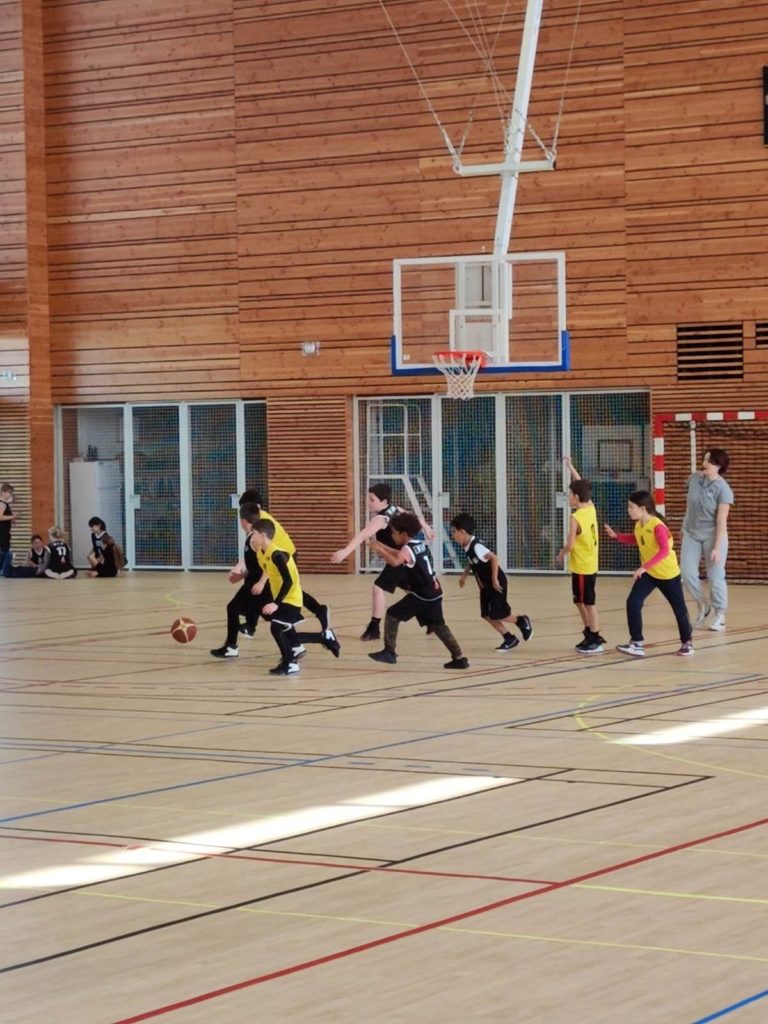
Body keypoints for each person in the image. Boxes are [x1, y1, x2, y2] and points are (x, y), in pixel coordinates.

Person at [331, 483, 435, 641]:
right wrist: (426, 527)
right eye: (368, 499)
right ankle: (431, 621)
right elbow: (415, 518)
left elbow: (362, 535)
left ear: (384, 501)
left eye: (372, 500)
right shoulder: (394, 508)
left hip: (399, 559)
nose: (369, 503)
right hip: (407, 558)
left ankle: (374, 629)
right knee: (411, 592)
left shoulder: (381, 519)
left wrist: (345, 551)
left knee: (378, 588)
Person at [367, 511, 468, 669]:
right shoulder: (418, 544)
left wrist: (380, 550)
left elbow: (395, 562)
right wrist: (382, 546)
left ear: (403, 534)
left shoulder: (407, 550)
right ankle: (459, 658)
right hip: (434, 592)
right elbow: (401, 554)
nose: (392, 536)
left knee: (392, 614)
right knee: (439, 625)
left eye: (394, 533)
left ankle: (389, 652)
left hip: (422, 595)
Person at [605, 490, 692, 658]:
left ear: (643, 508)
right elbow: (638, 539)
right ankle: (637, 643)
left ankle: (687, 643)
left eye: (631, 507)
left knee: (679, 609)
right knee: (633, 602)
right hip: (650, 573)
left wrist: (643, 567)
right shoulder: (639, 525)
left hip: (668, 574)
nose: (628, 510)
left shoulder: (657, 526)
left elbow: (664, 551)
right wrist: (617, 536)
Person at [249, 518, 340, 675]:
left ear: (263, 536)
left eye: (254, 534)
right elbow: (271, 575)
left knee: (277, 627)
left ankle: (290, 663)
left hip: (292, 597)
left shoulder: (277, 554)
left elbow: (288, 580)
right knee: (286, 631)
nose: (251, 537)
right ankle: (323, 638)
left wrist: (276, 603)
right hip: (282, 597)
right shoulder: (262, 554)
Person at [449, 513, 532, 651]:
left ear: (462, 532)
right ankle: (509, 638)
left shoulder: (477, 546)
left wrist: (494, 579)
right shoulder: (466, 545)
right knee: (486, 614)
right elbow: (472, 562)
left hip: (496, 583)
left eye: (454, 532)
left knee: (500, 614)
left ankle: (521, 620)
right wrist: (464, 575)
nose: (453, 535)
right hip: (485, 586)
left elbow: (493, 558)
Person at [680, 448, 733, 632]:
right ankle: (703, 603)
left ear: (718, 466)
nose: (704, 464)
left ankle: (720, 615)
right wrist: (684, 526)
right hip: (691, 533)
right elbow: (690, 504)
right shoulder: (694, 479)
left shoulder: (724, 490)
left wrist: (717, 547)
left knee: (715, 576)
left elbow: (721, 521)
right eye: (704, 459)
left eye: (709, 461)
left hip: (714, 535)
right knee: (687, 574)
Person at [556, 457, 605, 653]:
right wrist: (570, 467)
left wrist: (561, 554)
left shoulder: (575, 517)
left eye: (569, 494)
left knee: (588, 603)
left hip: (584, 567)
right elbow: (582, 484)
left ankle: (595, 637)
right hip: (585, 565)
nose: (568, 497)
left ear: (576, 497)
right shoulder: (590, 508)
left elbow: (570, 544)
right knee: (578, 601)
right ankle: (588, 633)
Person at [0, 483, 17, 578]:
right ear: (3, 492)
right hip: (2, 533)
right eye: (9, 492)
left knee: (5, 551)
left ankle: (3, 570)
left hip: (5, 532)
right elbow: (0, 517)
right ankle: (4, 570)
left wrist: (11, 520)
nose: (10, 495)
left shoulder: (5, 504)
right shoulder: (2, 503)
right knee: (5, 552)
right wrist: (12, 517)